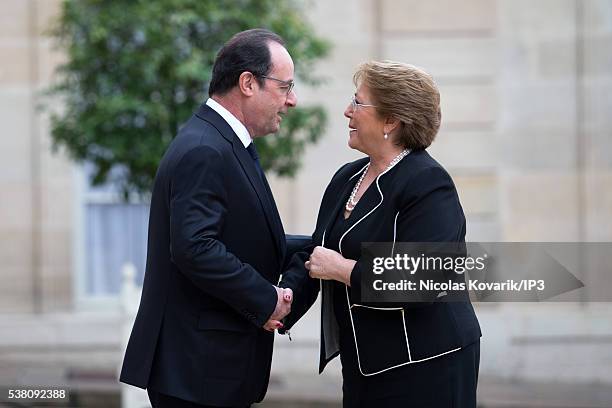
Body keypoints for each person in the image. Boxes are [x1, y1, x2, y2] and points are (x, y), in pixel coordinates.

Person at [280, 61, 482, 407]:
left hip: (427, 363)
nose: (347, 111)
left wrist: (342, 269)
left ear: (391, 120)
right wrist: (282, 302)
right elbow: (318, 253)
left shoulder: (428, 183)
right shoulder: (347, 177)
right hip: (364, 363)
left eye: (358, 103)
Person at [120, 29, 297, 408]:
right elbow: (194, 248)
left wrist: (318, 252)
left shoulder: (222, 141)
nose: (292, 101)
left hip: (208, 368)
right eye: (285, 87)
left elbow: (241, 237)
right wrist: (266, 298)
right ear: (248, 83)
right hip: (196, 371)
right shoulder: (205, 147)